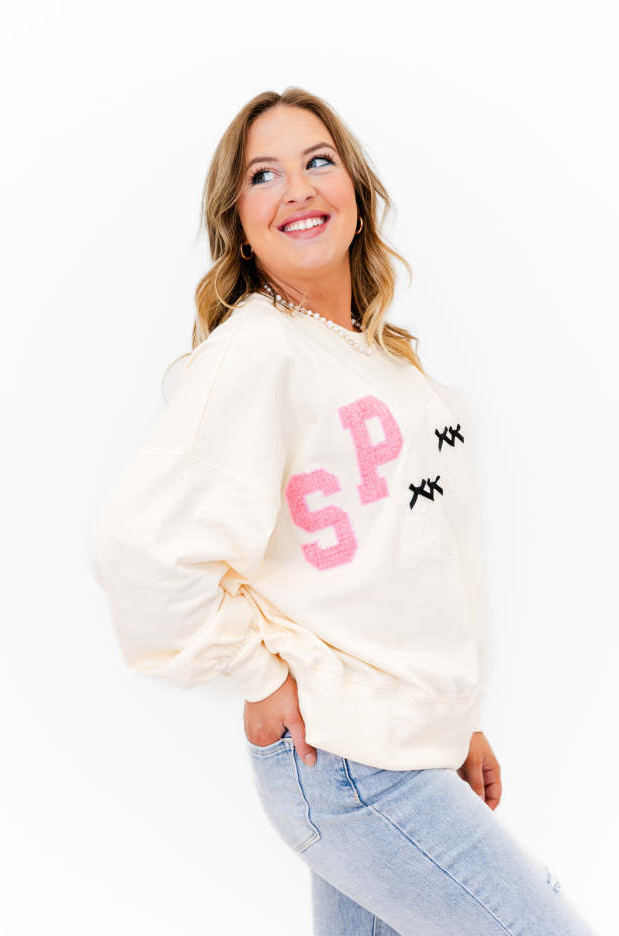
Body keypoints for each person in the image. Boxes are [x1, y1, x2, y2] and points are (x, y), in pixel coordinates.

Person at [89, 87, 598, 935]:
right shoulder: (258, 349)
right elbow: (138, 546)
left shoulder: (386, 363)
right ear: (239, 224)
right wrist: (258, 674)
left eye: (318, 161)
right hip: (348, 759)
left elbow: (418, 562)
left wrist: (455, 724)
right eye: (263, 175)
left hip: (403, 743)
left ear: (355, 193)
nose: (297, 188)